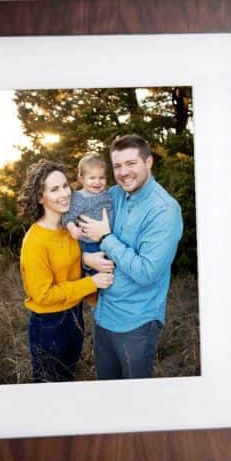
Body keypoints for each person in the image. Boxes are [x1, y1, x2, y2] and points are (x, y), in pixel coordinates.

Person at [79, 135, 183, 380]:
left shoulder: (164, 210)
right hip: (103, 316)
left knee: (135, 402)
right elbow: (80, 221)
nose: (123, 172)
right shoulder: (112, 195)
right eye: (117, 166)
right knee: (108, 395)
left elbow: (147, 273)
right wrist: (86, 260)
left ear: (148, 162)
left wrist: (105, 238)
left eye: (131, 163)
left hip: (136, 323)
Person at [18, 160, 114, 383]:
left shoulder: (69, 229)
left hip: (75, 315)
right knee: (49, 387)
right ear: (40, 198)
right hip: (49, 323)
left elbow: (67, 262)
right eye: (54, 189)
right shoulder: (35, 242)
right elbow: (43, 294)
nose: (64, 194)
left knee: (68, 379)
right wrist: (92, 283)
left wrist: (86, 259)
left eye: (64, 186)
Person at [62, 154, 114, 276]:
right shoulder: (79, 197)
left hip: (107, 239)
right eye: (92, 178)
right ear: (81, 179)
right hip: (89, 243)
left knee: (109, 270)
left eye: (101, 178)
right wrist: (72, 228)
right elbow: (67, 216)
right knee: (97, 271)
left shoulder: (107, 194)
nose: (97, 182)